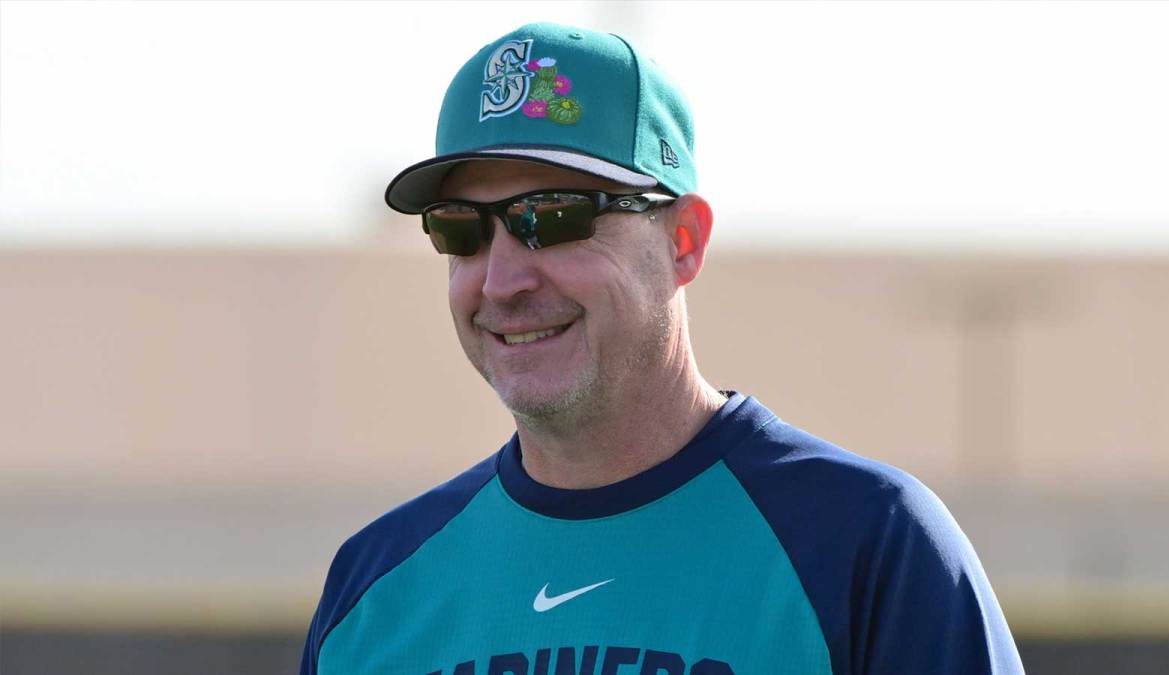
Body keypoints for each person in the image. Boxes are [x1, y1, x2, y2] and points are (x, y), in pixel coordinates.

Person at [300, 22, 1024, 675]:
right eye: (460, 227)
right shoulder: (375, 589)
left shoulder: (868, 544)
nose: (502, 279)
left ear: (683, 241)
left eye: (551, 218)